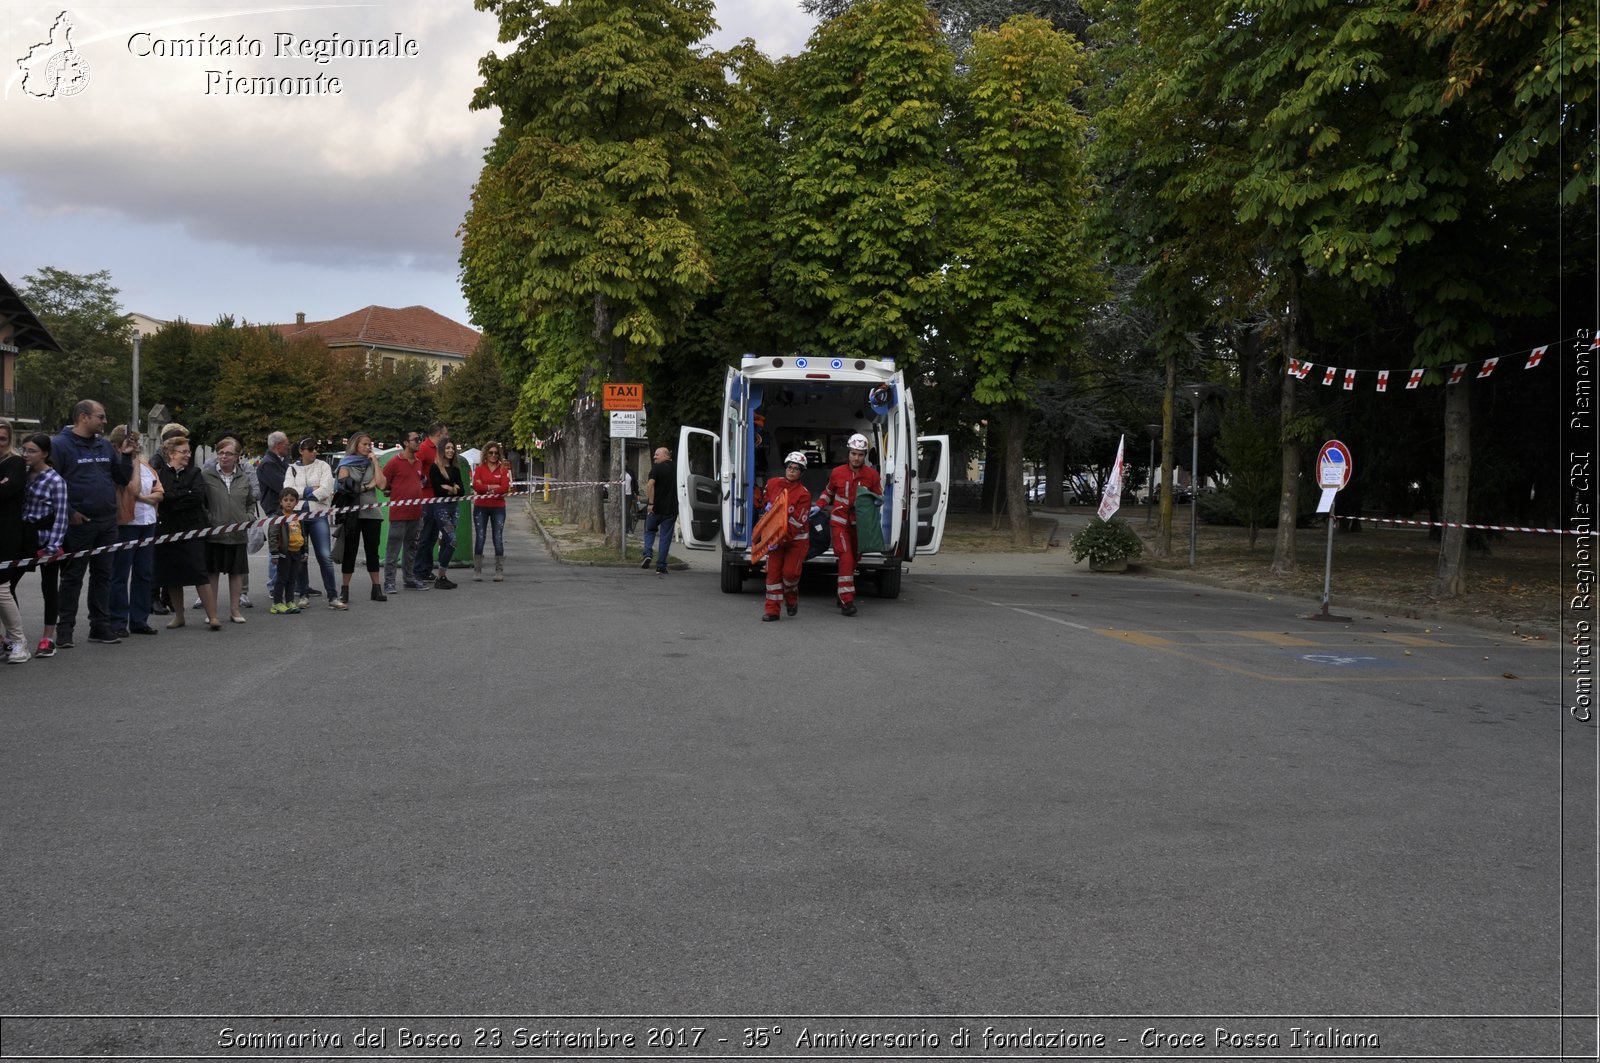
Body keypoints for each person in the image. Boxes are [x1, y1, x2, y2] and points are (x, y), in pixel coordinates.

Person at [51, 399, 136, 647]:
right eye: (101, 416)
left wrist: (126, 457)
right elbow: (49, 483)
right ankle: (64, 630)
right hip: (79, 523)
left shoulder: (104, 446)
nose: (105, 421)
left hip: (106, 521)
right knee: (72, 577)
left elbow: (121, 478)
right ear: (83, 417)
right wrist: (69, 512)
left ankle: (99, 626)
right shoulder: (60, 445)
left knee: (103, 576)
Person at [153, 435, 221, 630]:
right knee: (172, 575)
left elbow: (197, 496)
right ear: (171, 453)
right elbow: (163, 496)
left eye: (188, 451)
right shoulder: (159, 474)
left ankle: (213, 616)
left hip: (193, 529)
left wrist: (173, 500)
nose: (187, 455)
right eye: (184, 452)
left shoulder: (195, 473)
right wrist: (179, 496)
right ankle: (179, 616)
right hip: (167, 530)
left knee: (200, 572)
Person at [813, 432, 883, 617]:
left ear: (865, 455)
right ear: (848, 453)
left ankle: (842, 592)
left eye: (860, 454)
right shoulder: (837, 472)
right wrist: (818, 506)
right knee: (846, 557)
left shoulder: (872, 475)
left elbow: (878, 494)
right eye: (853, 453)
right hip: (839, 520)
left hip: (860, 524)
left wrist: (878, 500)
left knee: (854, 559)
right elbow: (828, 493)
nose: (856, 457)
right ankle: (847, 600)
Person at [107, 425, 162, 637]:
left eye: (137, 442)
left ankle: (139, 619)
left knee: (144, 573)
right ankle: (118, 621)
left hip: (148, 522)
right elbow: (133, 489)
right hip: (127, 524)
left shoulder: (146, 465)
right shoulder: (120, 465)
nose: (137, 446)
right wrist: (134, 462)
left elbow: (159, 491)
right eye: (132, 442)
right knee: (120, 574)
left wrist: (147, 498)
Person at [19, 433, 70, 656]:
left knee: (49, 588)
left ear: (45, 454)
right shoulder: (23, 474)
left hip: (46, 539)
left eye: (31, 451)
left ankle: (48, 638)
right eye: (24, 449)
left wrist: (53, 546)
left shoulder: (55, 481)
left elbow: (61, 516)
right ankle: (15, 635)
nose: (25, 454)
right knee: (7, 586)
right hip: (24, 537)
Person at [201, 435, 257, 625]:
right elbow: (202, 503)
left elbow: (251, 502)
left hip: (237, 534)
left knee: (236, 573)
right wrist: (209, 520)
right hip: (214, 534)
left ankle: (235, 610)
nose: (224, 456)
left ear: (237, 457)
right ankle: (212, 612)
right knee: (212, 573)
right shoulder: (206, 475)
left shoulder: (244, 478)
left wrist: (247, 519)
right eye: (221, 453)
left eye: (229, 454)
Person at [283, 437, 342, 609]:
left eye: (316, 448)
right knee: (301, 556)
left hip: (318, 514)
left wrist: (302, 493)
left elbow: (326, 490)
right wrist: (311, 489)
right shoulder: (292, 469)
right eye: (310, 448)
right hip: (298, 515)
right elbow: (288, 491)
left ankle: (333, 596)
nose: (314, 451)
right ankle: (303, 594)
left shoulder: (323, 466)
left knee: (325, 556)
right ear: (301, 451)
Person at [758, 451, 813, 622]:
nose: (791, 471)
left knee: (790, 574)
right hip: (775, 538)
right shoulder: (773, 483)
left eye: (796, 469)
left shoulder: (804, 494)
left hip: (796, 540)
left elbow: (796, 524)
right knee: (773, 574)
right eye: (790, 467)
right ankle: (772, 610)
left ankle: (791, 597)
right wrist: (766, 506)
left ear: (801, 473)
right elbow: (764, 499)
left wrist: (778, 539)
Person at [336, 432, 389, 604]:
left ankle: (376, 588)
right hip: (352, 514)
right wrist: (368, 486)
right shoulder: (345, 464)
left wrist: (375, 461)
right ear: (355, 446)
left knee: (372, 551)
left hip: (372, 513)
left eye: (369, 444)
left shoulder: (372, 463)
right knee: (350, 551)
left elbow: (382, 485)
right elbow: (348, 487)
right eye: (364, 444)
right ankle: (345, 590)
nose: (368, 447)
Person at [382, 430, 427, 594]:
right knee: (393, 549)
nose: (419, 442)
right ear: (406, 443)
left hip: (416, 513)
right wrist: (390, 491)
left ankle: (409, 579)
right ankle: (389, 582)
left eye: (419, 439)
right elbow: (383, 482)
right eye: (415, 439)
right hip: (399, 514)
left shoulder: (418, 462)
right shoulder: (394, 462)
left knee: (412, 548)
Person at [0, 420, 29, 662]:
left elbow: (7, 490)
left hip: (6, 535)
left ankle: (19, 641)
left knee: (1, 589)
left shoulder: (16, 462)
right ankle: (5, 640)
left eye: (2, 438)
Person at [411, 420, 449, 586]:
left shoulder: (438, 450)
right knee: (425, 536)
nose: (448, 437)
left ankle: (425, 569)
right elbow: (413, 466)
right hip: (427, 498)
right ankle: (418, 570)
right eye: (446, 434)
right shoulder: (424, 449)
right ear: (439, 435)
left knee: (432, 536)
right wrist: (423, 481)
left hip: (437, 497)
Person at [255, 431, 292, 601]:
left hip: (283, 509)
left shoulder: (278, 462)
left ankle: (286, 583)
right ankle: (274, 585)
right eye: (286, 444)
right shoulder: (268, 464)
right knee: (276, 547)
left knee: (289, 546)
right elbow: (282, 486)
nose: (288, 446)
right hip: (275, 509)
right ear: (278, 446)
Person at [471, 440, 511, 582]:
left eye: (496, 453)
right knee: (480, 537)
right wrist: (493, 487)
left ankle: (499, 570)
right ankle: (477, 570)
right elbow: (476, 485)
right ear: (486, 454)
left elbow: (505, 488)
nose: (493, 455)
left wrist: (486, 486)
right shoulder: (480, 469)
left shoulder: (502, 469)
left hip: (498, 507)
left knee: (497, 538)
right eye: (490, 453)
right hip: (481, 506)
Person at [427, 439, 464, 589]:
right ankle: (441, 576)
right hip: (441, 508)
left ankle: (441, 576)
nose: (450, 451)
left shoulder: (455, 468)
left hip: (454, 508)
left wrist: (450, 488)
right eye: (448, 448)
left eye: (452, 448)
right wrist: (452, 488)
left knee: (446, 542)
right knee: (452, 541)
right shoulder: (435, 468)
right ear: (442, 450)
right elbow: (438, 490)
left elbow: (462, 491)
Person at [267, 487, 307, 614]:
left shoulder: (298, 517)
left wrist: (305, 551)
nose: (288, 502)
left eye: (292, 500)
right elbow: (272, 535)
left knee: (292, 579)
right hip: (284, 553)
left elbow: (303, 534)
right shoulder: (278, 517)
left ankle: (290, 601)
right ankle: (277, 603)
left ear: (296, 502)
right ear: (280, 502)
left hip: (297, 552)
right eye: (285, 500)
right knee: (282, 578)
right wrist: (274, 553)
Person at [640, 445, 677, 575]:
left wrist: (651, 503)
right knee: (665, 537)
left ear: (666, 455)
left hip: (655, 508)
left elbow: (650, 484)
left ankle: (647, 554)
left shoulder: (657, 468)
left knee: (649, 531)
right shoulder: (677, 469)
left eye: (657, 454)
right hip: (671, 509)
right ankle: (661, 565)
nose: (654, 457)